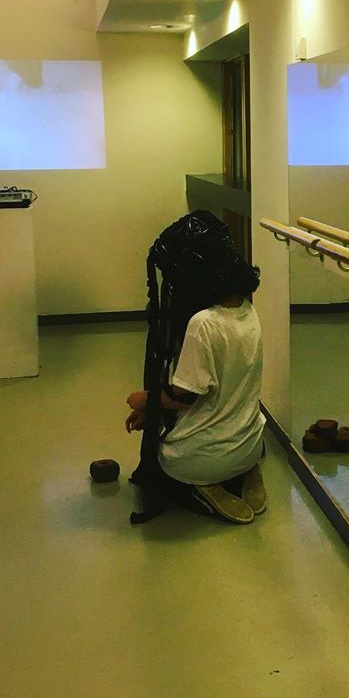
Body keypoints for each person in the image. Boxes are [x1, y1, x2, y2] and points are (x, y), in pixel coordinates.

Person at [124, 210, 266, 525]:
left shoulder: (203, 323)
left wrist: (145, 400)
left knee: (170, 457)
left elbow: (185, 397)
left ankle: (206, 484)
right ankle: (244, 469)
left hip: (202, 460)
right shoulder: (247, 309)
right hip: (251, 445)